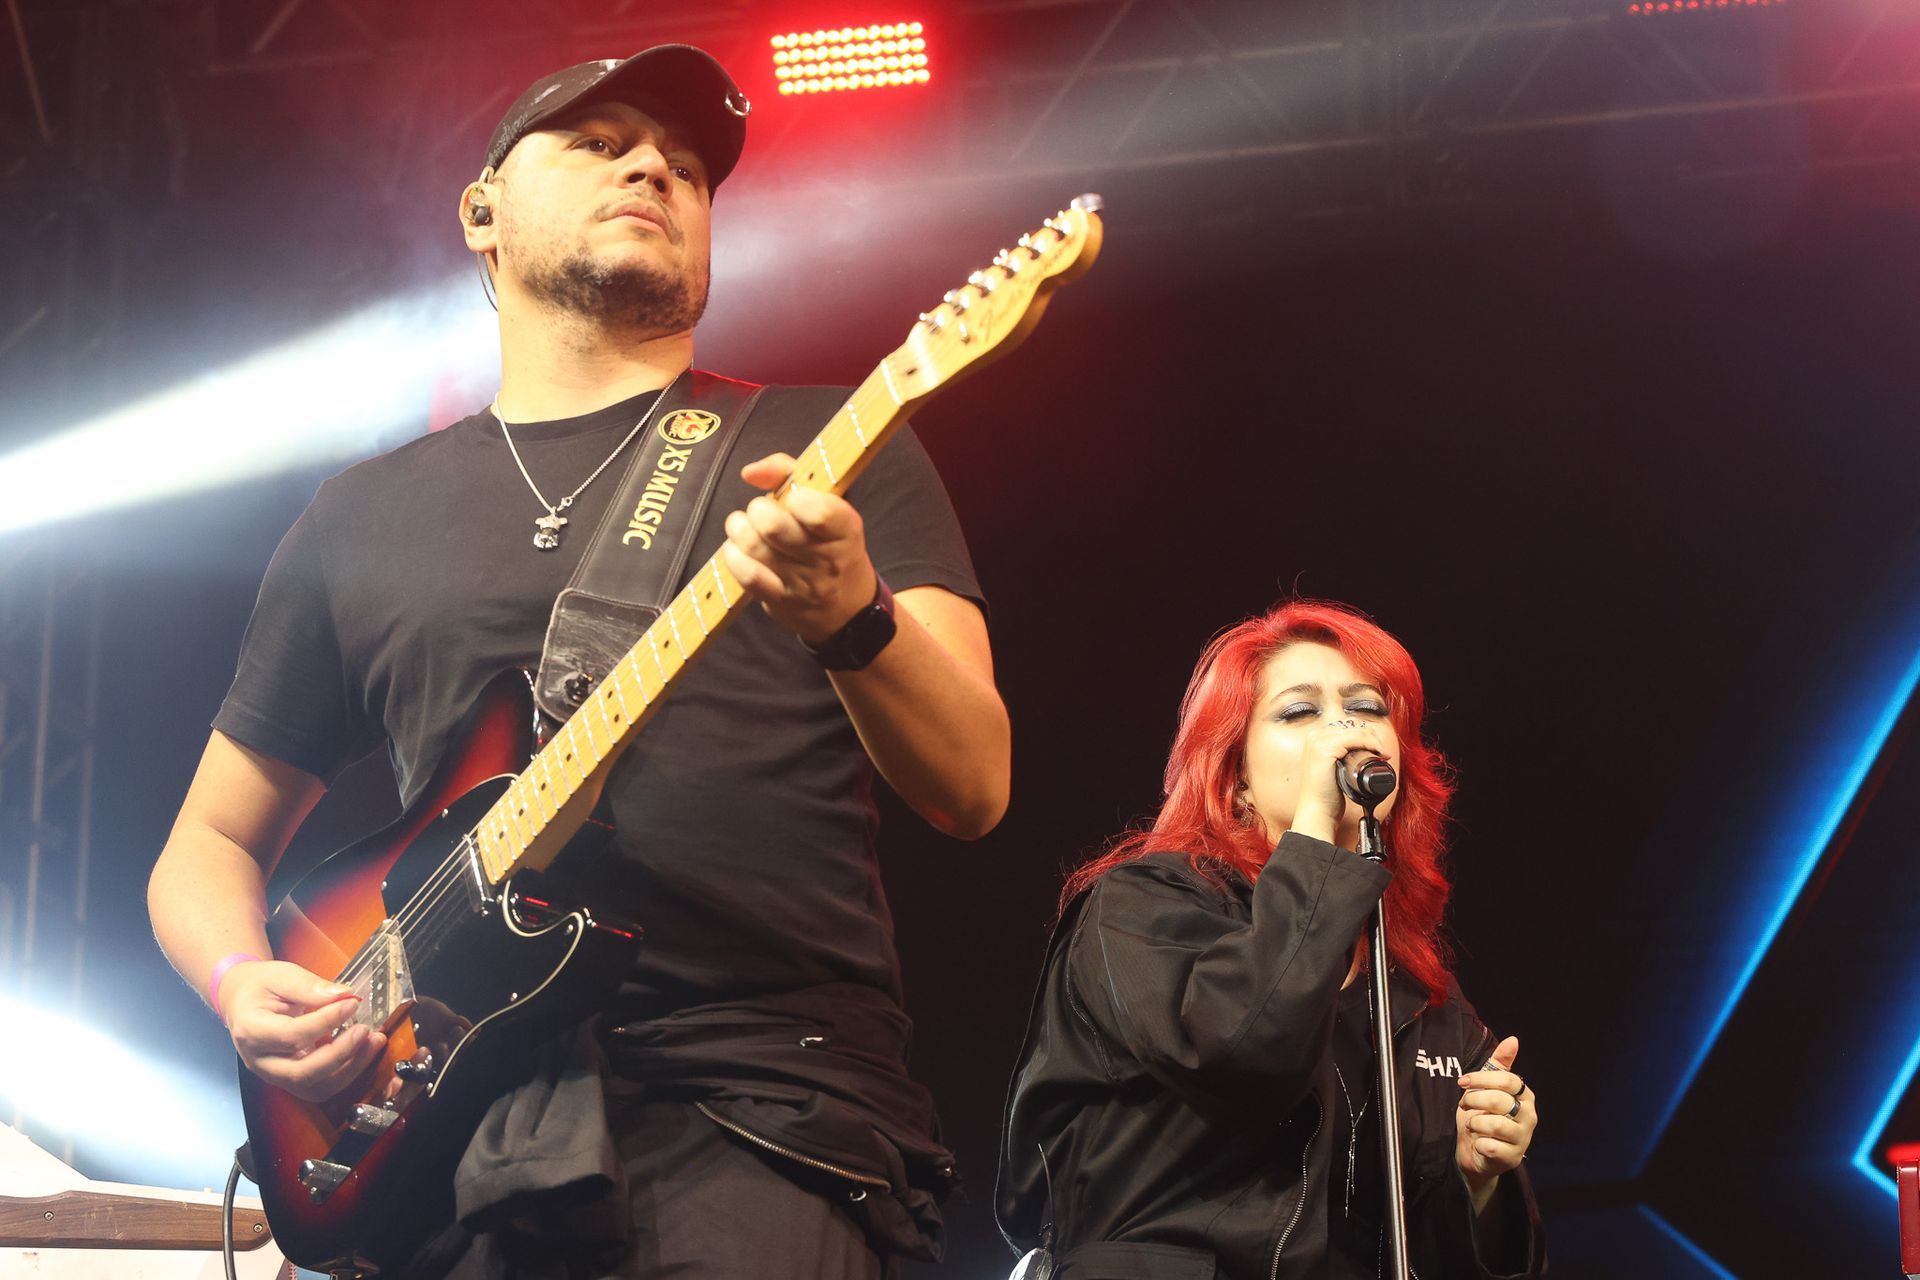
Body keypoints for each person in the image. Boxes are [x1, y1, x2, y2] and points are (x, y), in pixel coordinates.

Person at [146, 45, 1009, 1279]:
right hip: (442, 1146)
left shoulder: (821, 441)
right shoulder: (359, 515)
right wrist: (241, 982)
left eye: (688, 168)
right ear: (481, 212)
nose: (654, 167)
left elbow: (973, 783)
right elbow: (208, 844)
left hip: (762, 1118)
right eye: (601, 144)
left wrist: (851, 614)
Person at [996, 600, 1544, 1279]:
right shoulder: (1142, 906)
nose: (1344, 728)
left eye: (1367, 707)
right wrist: (1317, 827)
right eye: (1300, 712)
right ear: (1237, 778)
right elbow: (1244, 1050)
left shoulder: (1423, 997)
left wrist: (1480, 1178)